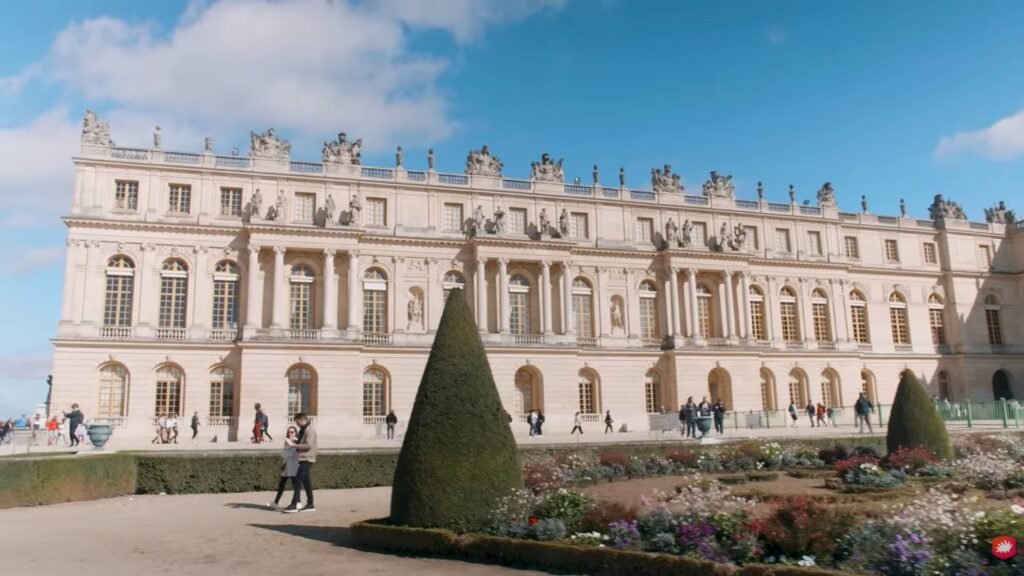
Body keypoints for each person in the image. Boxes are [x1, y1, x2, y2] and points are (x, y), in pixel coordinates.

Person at [283, 413, 317, 513]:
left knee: (298, 480)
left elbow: (309, 445)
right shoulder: (304, 429)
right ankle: (310, 504)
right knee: (306, 482)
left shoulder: (310, 430)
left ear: (302, 420)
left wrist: (295, 445)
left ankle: (294, 504)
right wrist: (295, 442)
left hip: (307, 458)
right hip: (303, 458)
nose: (297, 424)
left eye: (297, 422)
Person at [268, 426, 300, 509]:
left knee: (295, 485)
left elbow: (291, 453)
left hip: (293, 466)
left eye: (292, 432)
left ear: (295, 433)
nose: (290, 433)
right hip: (287, 465)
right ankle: (276, 502)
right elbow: (284, 454)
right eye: (289, 432)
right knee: (282, 484)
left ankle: (298, 502)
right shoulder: (287, 441)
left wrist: (289, 448)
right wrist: (284, 463)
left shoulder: (296, 441)